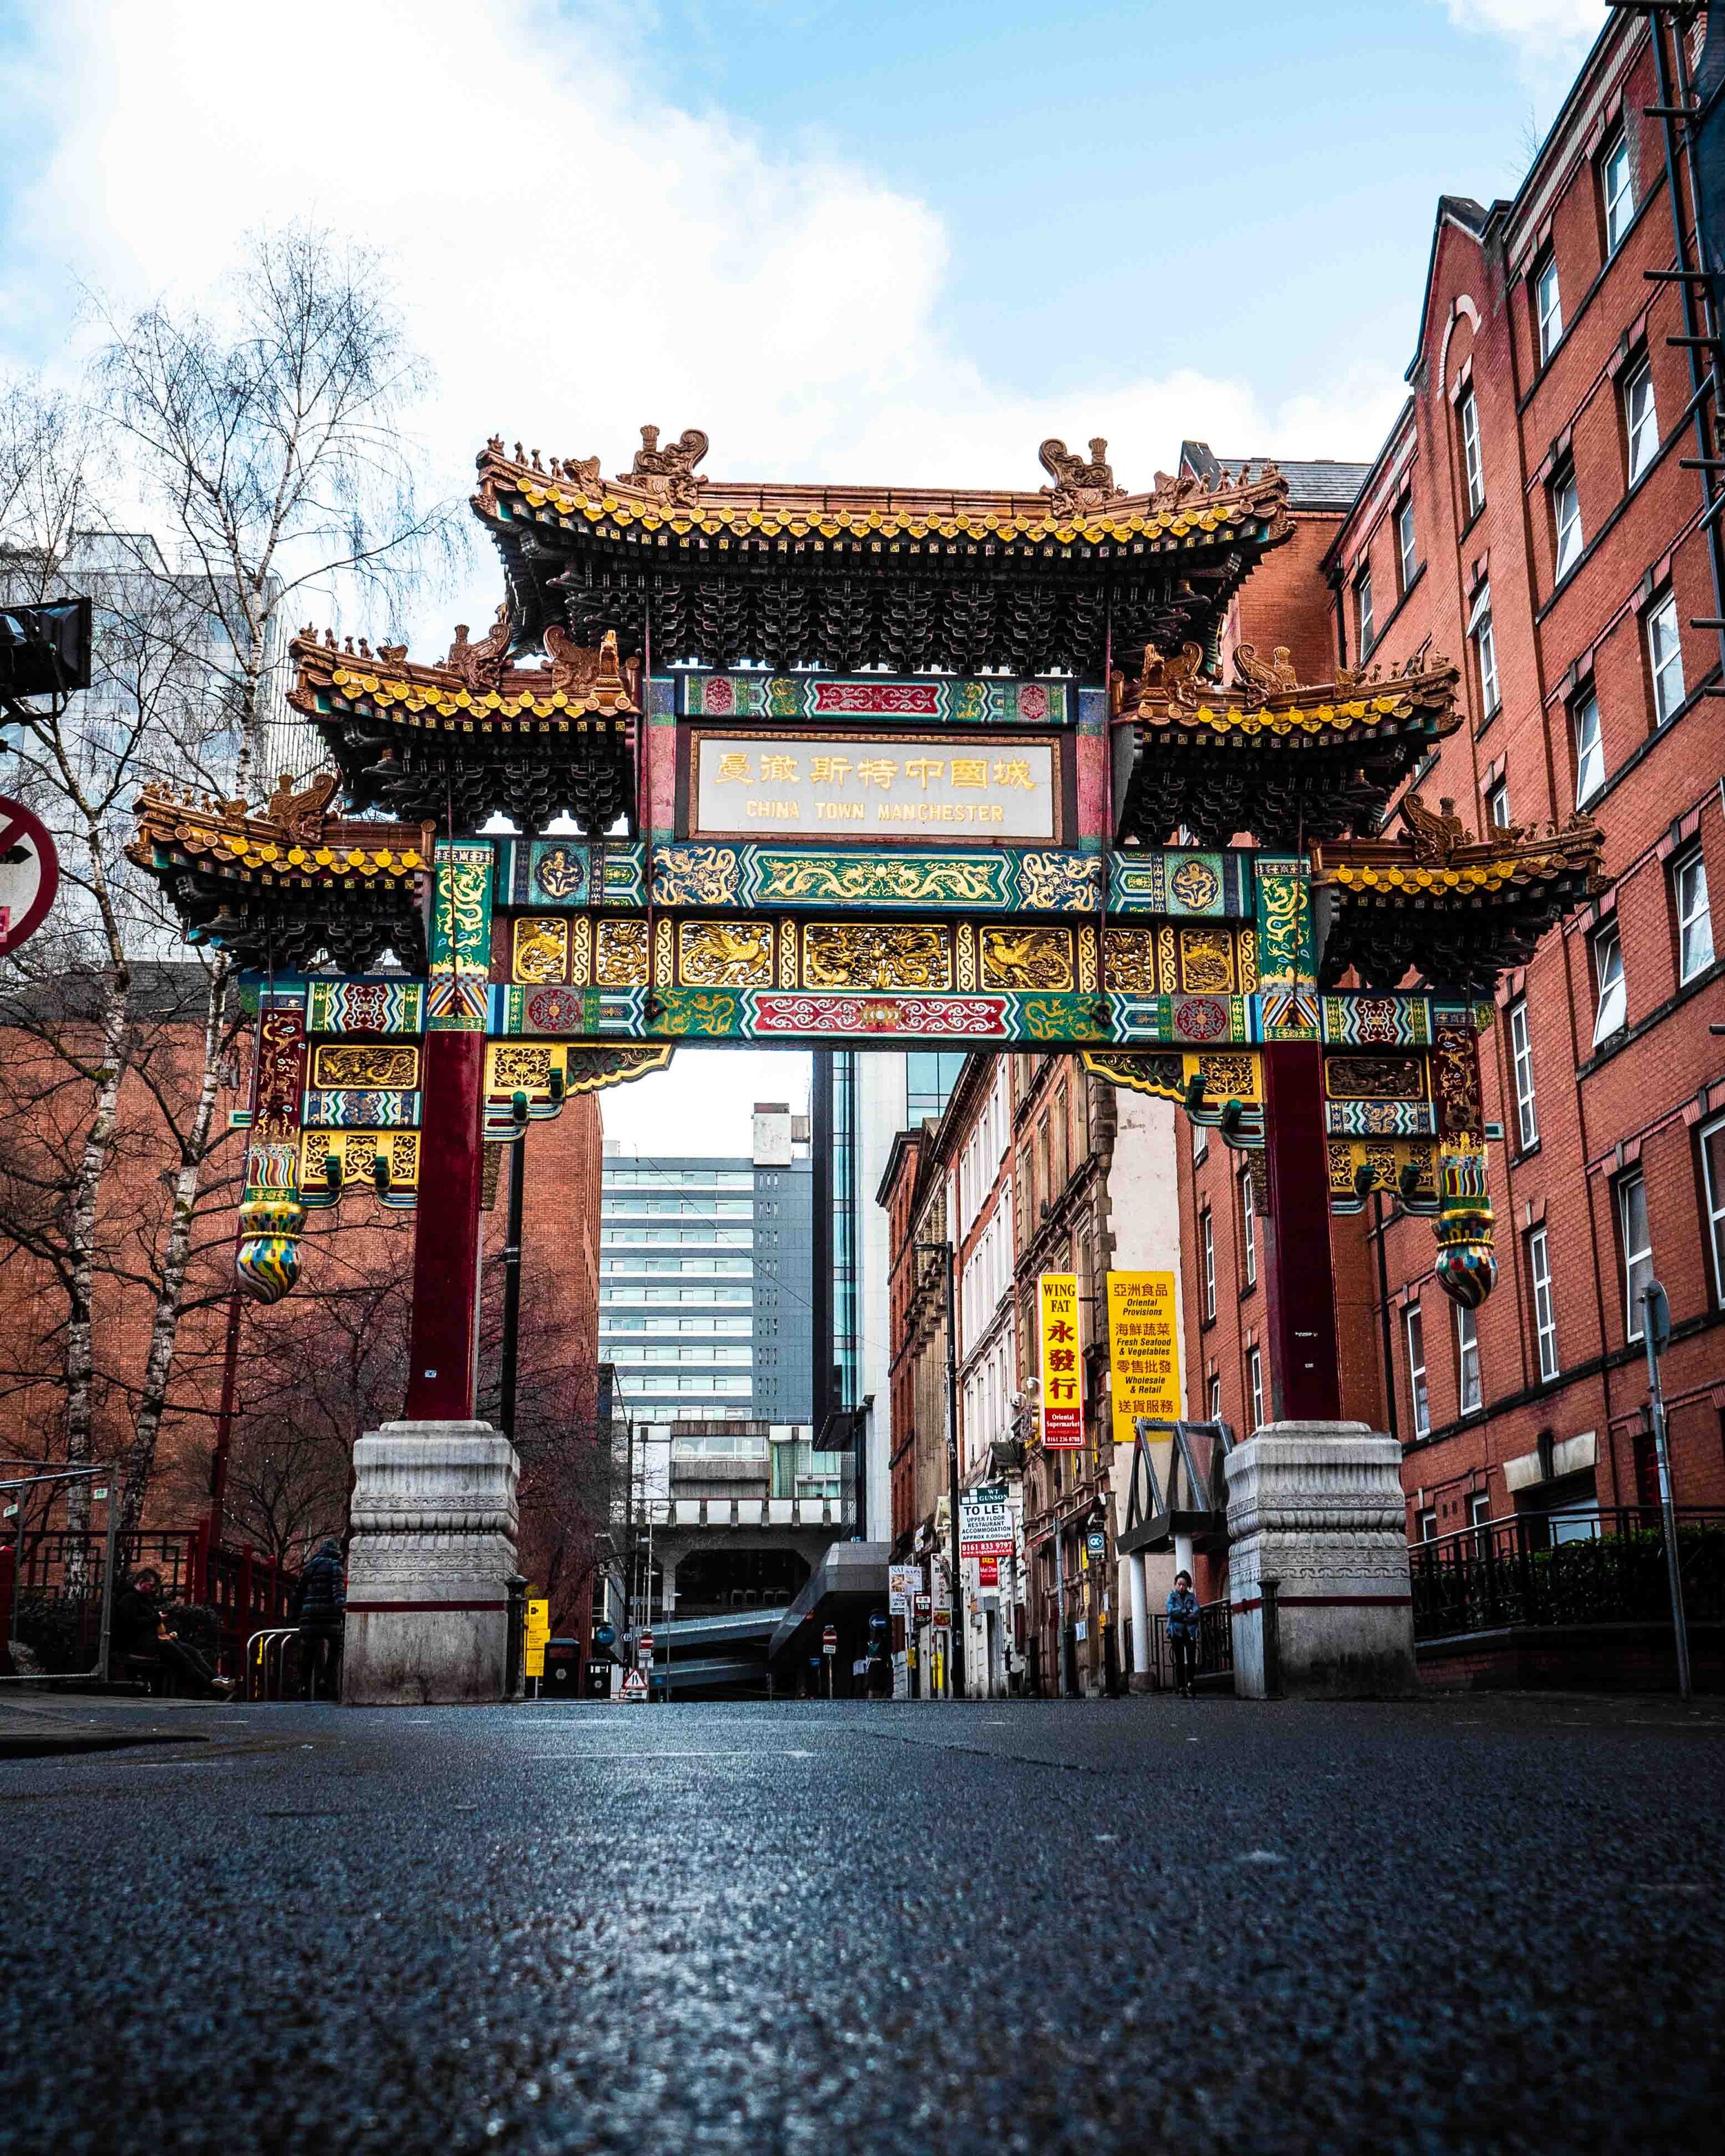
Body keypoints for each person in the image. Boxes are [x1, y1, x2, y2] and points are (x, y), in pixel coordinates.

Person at [111, 1566, 235, 1699]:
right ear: (141, 1582)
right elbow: (131, 1623)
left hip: (153, 1639)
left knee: (190, 1650)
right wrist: (157, 1618)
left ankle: (216, 1679)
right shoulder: (129, 1598)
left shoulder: (145, 1600)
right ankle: (210, 1687)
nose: (153, 1589)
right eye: (151, 1585)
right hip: (138, 1643)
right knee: (181, 1656)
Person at [294, 1536, 347, 1701]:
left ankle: (303, 1685)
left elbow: (299, 1591)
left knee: (308, 1651)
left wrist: (296, 1613)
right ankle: (325, 1678)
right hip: (328, 1614)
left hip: (309, 1614)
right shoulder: (334, 1565)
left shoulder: (310, 1566)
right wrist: (342, 1607)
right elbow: (337, 1589)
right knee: (335, 1644)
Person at [1166, 1570, 1201, 1699]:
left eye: (1184, 1585)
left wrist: (1183, 1615)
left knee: (1191, 1659)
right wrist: (1186, 1611)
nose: (1181, 1587)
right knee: (1179, 1660)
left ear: (1188, 1586)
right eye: (1179, 1584)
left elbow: (1196, 1612)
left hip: (1190, 1631)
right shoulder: (1172, 1596)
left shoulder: (1192, 1597)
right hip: (1176, 1631)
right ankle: (1181, 1686)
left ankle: (1190, 1684)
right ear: (1176, 1584)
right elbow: (1171, 1612)